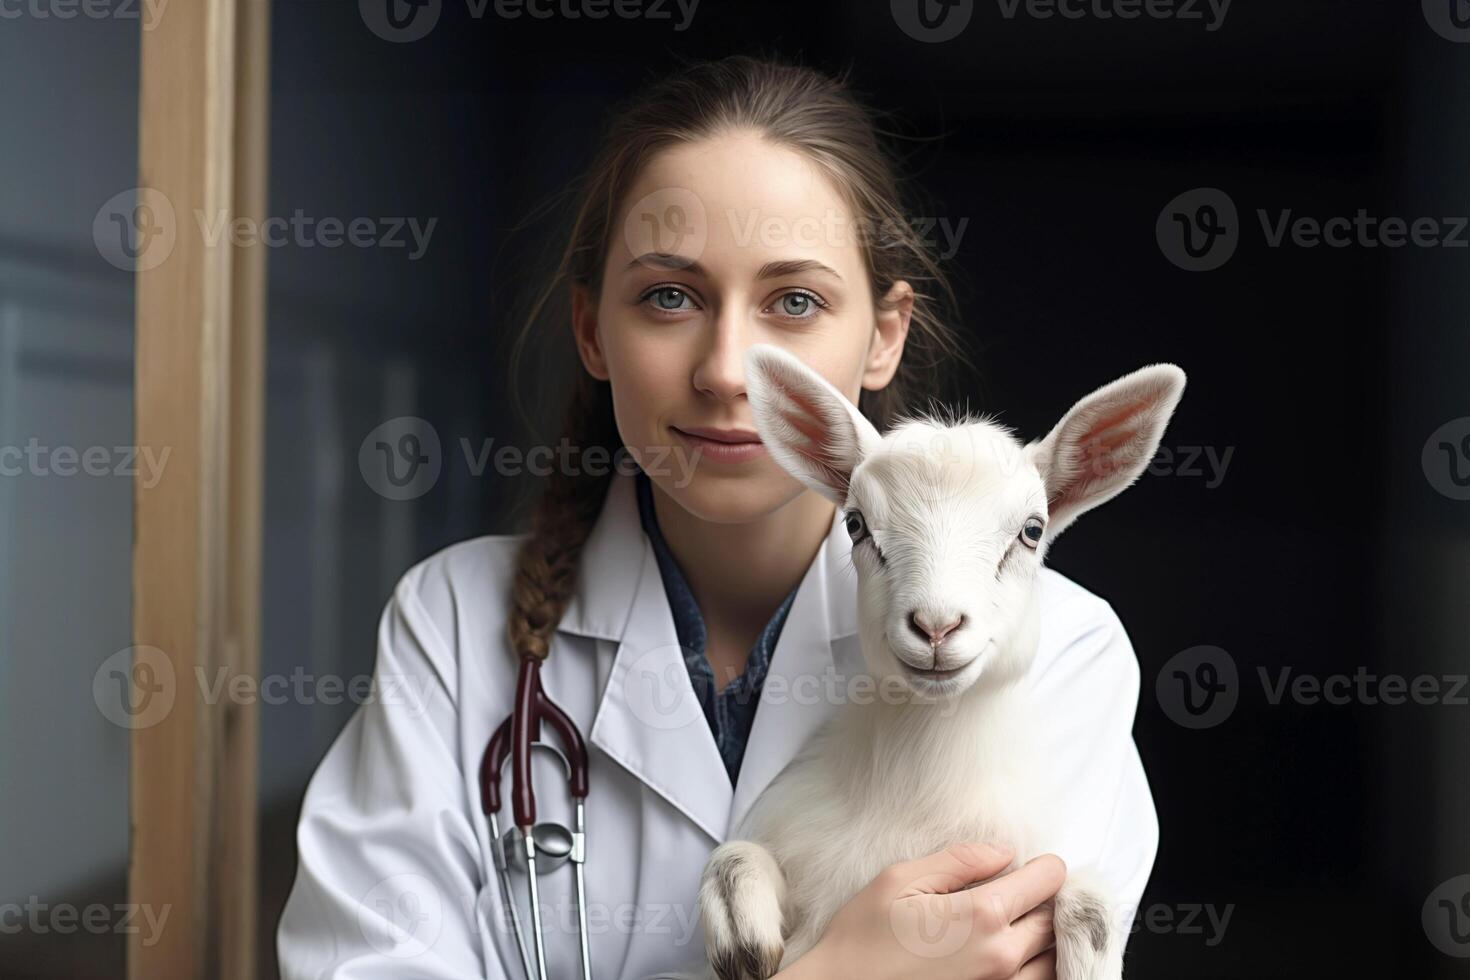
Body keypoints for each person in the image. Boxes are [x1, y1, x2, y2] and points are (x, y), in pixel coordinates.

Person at [277, 55, 1158, 980]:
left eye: (795, 300)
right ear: (592, 332)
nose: (727, 368)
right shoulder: (454, 628)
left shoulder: (1063, 653)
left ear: (885, 335)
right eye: (669, 296)